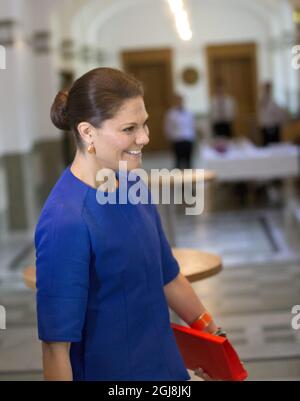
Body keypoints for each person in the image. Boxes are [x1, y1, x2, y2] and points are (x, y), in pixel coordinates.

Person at [35, 67, 223, 381]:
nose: (145, 137)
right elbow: (56, 350)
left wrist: (216, 336)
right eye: (129, 128)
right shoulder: (65, 220)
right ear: (87, 132)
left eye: (145, 123)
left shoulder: (131, 185)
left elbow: (168, 275)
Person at [164, 94, 196, 169]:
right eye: (178, 100)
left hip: (188, 139)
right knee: (178, 162)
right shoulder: (170, 114)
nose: (180, 102)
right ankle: (178, 179)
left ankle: (189, 178)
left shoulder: (189, 113)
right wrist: (170, 140)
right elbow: (168, 128)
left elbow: (192, 126)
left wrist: (193, 138)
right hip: (177, 140)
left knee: (189, 162)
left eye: (181, 100)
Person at [258, 82, 286, 146]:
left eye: (269, 88)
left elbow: (277, 113)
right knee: (267, 144)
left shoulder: (273, 100)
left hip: (273, 125)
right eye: (266, 88)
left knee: (275, 144)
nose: (268, 90)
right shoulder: (262, 99)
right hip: (266, 125)